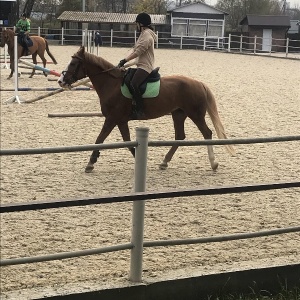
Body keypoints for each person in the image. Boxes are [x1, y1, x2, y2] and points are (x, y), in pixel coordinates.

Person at [117, 12, 157, 119]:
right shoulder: (144, 34)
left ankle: (140, 109)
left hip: (145, 67)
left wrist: (124, 60)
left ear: (141, 24)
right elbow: (138, 55)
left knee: (134, 83)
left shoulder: (147, 35)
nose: (136, 26)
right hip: (141, 65)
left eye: (137, 24)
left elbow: (138, 51)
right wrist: (124, 64)